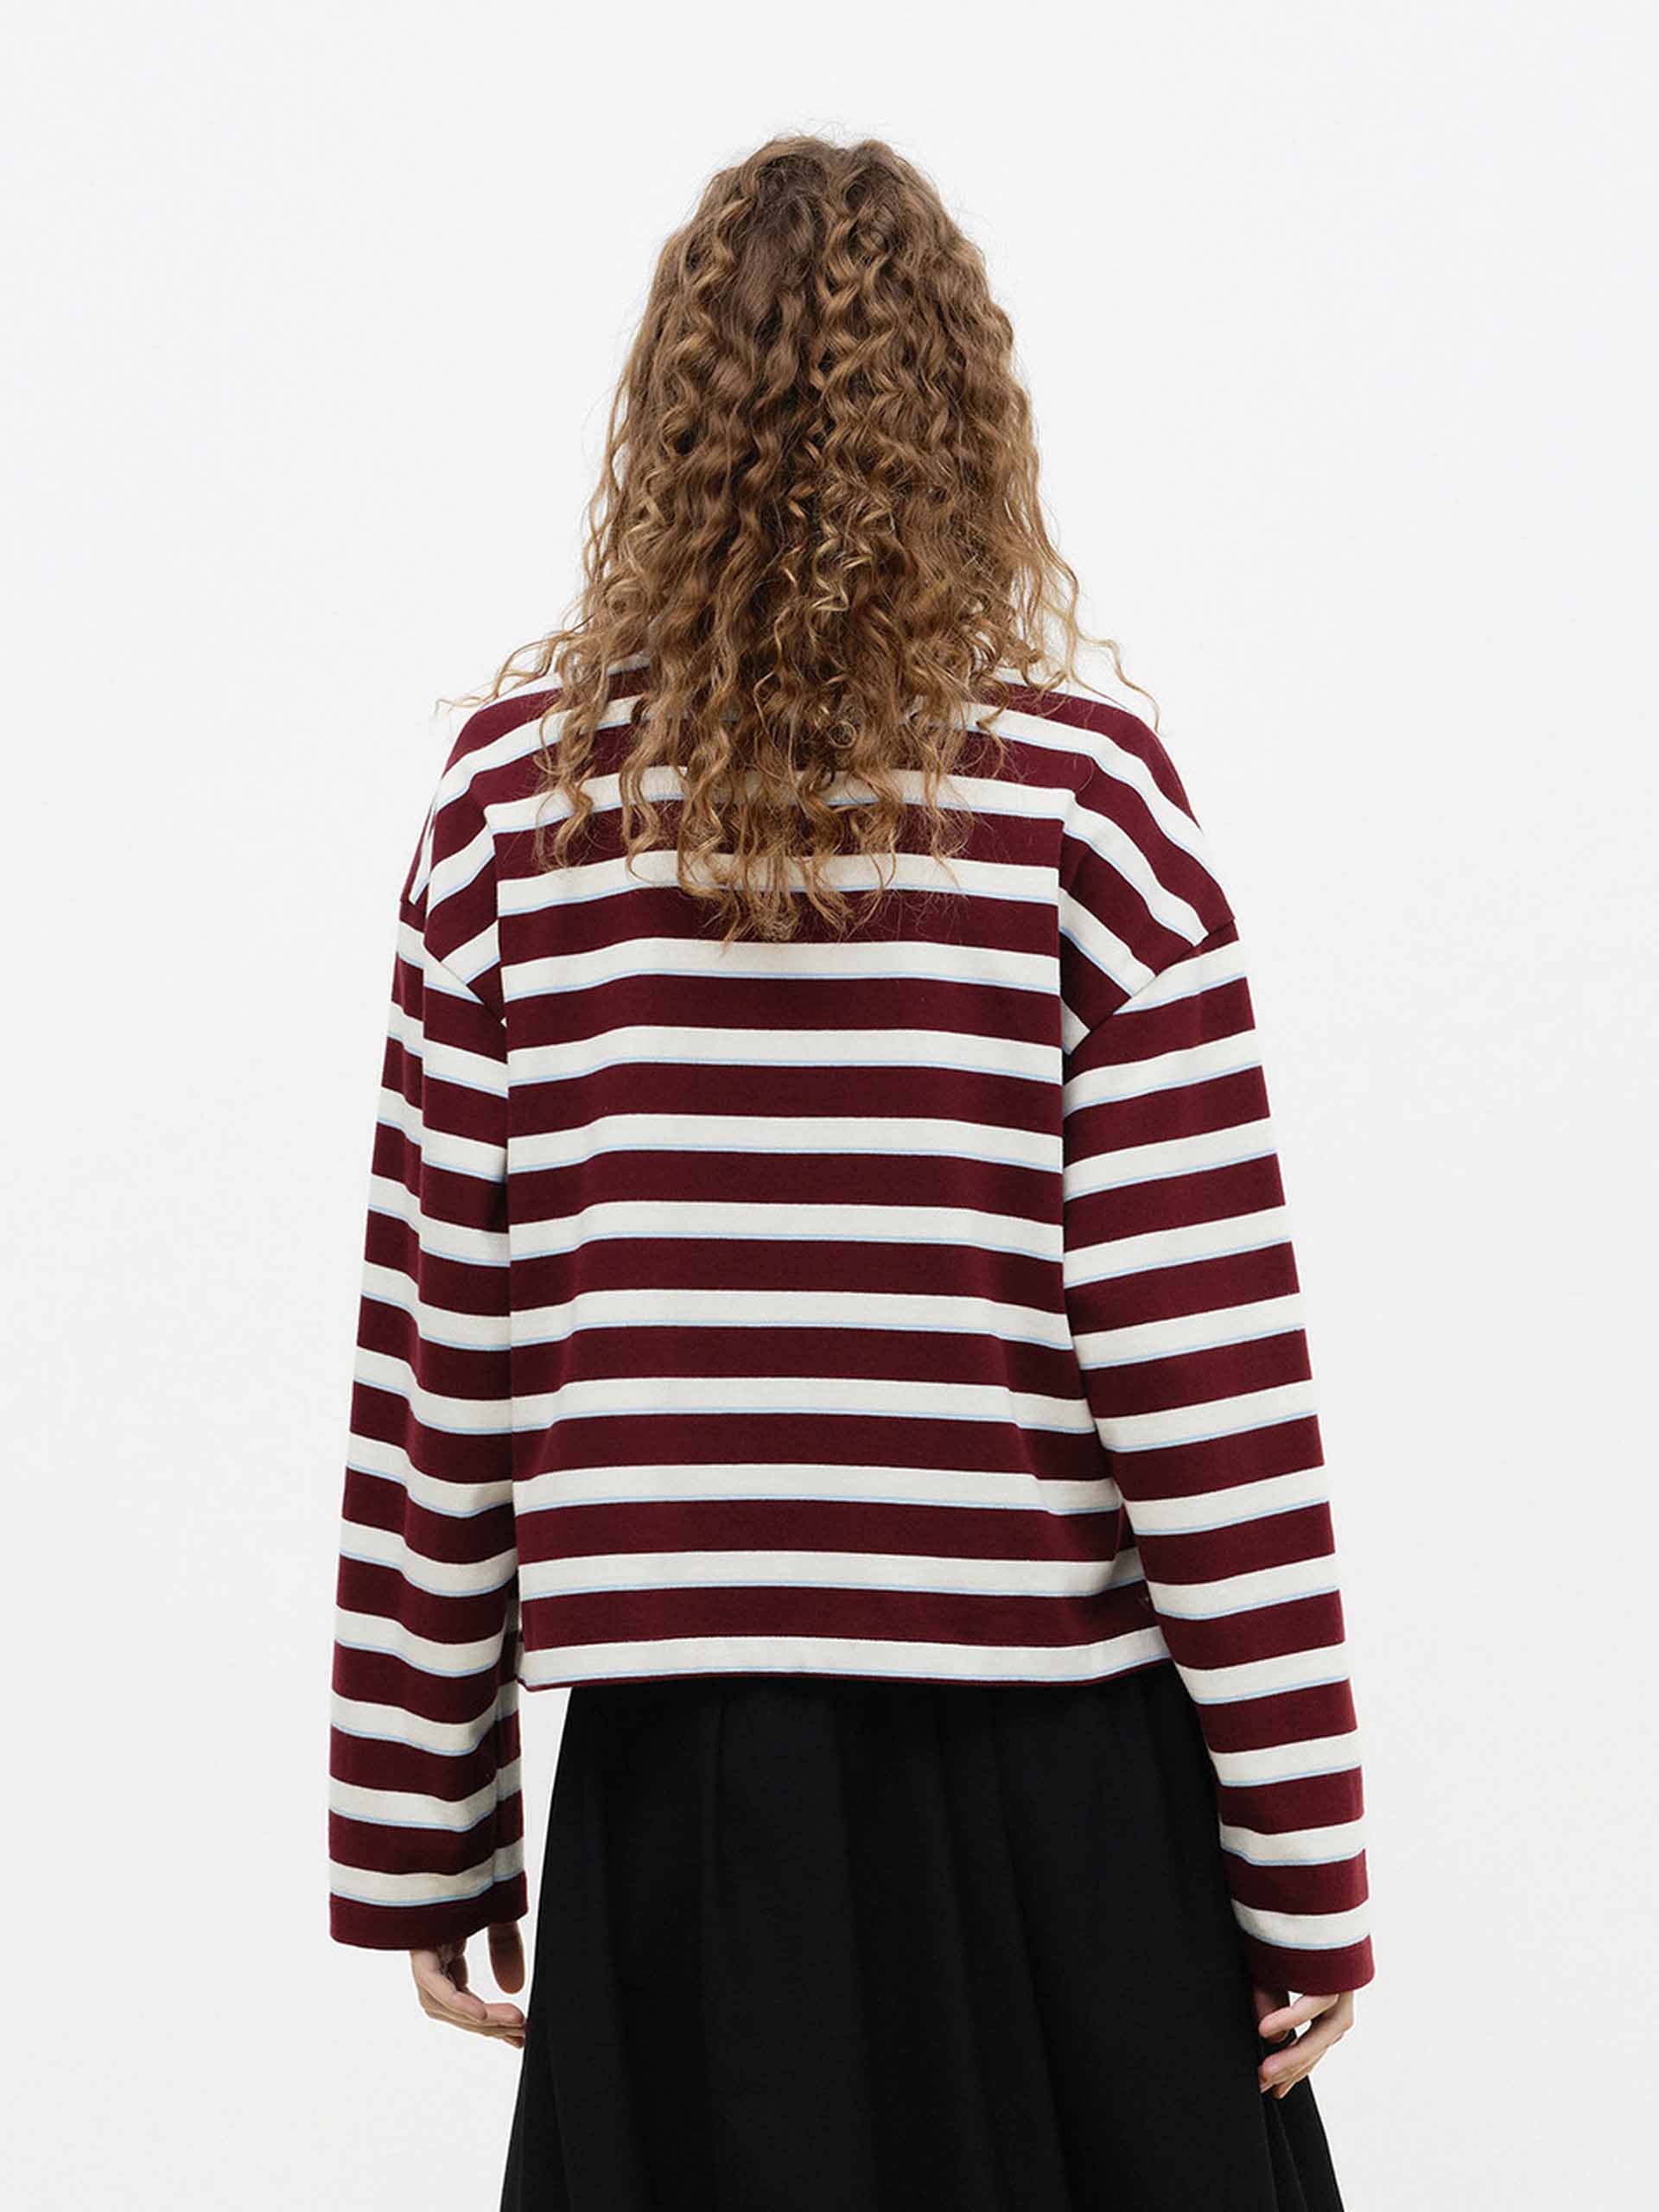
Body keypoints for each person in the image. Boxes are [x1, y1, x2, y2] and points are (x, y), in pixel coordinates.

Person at [325, 132, 1373, 2212]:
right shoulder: (1082, 795)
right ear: (968, 426)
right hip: (1057, 1780)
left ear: (670, 425)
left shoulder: (513, 813)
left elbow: (442, 1339)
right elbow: (1203, 1362)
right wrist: (1304, 1856)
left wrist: (423, 1818)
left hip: (680, 1791)